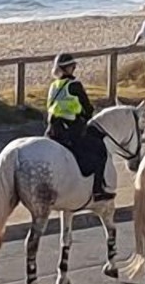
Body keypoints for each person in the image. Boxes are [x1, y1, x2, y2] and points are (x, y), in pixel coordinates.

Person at [46, 53, 114, 202]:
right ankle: (97, 190)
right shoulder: (74, 85)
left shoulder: (53, 86)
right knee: (99, 152)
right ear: (69, 68)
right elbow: (88, 108)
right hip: (71, 129)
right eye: (73, 66)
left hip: (52, 130)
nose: (74, 68)